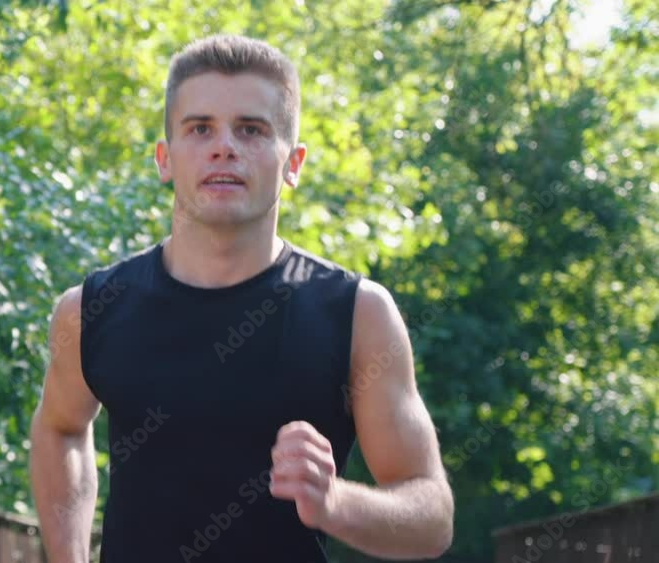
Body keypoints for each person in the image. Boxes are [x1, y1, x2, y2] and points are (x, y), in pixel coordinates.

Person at [29, 34, 454, 563]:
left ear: (293, 163)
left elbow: (432, 517)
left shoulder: (355, 313)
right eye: (200, 128)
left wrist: (335, 501)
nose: (224, 147)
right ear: (165, 158)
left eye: (251, 129)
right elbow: (61, 428)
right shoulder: (94, 309)